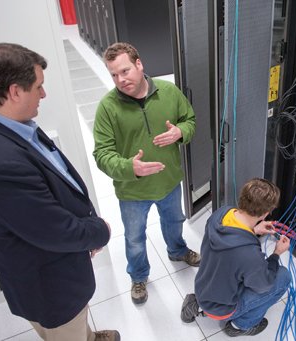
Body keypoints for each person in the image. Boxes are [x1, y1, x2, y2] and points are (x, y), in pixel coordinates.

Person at [0, 43, 120, 341]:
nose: (43, 95)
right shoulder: (0, 164)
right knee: (66, 330)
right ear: (15, 91)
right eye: (39, 87)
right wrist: (98, 230)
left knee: (79, 323)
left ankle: (90, 336)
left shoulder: (6, 125)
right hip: (49, 285)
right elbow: (56, 232)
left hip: (55, 262)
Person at [93, 42, 200, 305]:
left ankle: (177, 251)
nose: (121, 79)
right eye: (114, 75)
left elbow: (190, 121)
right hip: (132, 190)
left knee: (174, 222)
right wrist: (131, 168)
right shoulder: (107, 107)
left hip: (169, 181)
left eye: (125, 70)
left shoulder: (169, 92)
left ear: (139, 64)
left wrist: (180, 132)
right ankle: (139, 276)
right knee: (134, 238)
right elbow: (102, 155)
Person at [181, 178, 291, 337]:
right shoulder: (249, 254)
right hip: (223, 307)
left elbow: (231, 245)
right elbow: (263, 285)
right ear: (266, 213)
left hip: (202, 288)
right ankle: (239, 325)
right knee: (283, 277)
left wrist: (253, 229)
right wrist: (276, 254)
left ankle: (197, 305)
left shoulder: (221, 214)